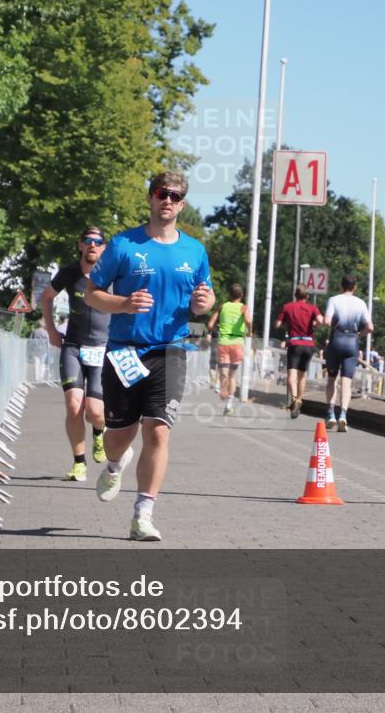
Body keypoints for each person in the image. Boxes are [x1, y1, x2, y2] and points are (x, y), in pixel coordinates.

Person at [84, 171, 214, 541]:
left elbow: (205, 298)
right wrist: (124, 303)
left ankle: (142, 514)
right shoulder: (124, 244)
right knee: (119, 436)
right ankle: (114, 464)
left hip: (171, 350)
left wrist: (204, 303)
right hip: (124, 350)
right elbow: (92, 293)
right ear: (150, 198)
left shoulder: (195, 251)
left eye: (175, 196)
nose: (167, 200)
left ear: (182, 204)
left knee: (157, 430)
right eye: (161, 193)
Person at [41, 227, 111, 482]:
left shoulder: (112, 274)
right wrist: (51, 330)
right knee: (73, 406)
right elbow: (46, 297)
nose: (92, 245)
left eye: (98, 241)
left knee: (95, 412)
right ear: (80, 245)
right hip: (73, 347)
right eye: (87, 240)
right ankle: (79, 462)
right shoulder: (69, 273)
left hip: (102, 349)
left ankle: (99, 432)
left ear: (103, 247)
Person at [323, 274, 373, 432]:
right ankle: (343, 415)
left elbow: (326, 321)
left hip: (336, 340)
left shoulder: (333, 300)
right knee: (347, 381)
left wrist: (333, 326)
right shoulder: (361, 303)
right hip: (352, 342)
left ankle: (331, 413)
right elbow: (370, 327)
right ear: (355, 287)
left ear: (341, 285)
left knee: (332, 379)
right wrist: (359, 335)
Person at [275, 284, 324, 419]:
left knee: (291, 374)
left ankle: (294, 399)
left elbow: (277, 324)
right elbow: (321, 320)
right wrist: (314, 324)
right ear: (307, 296)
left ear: (295, 295)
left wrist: (287, 324)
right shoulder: (312, 308)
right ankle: (299, 400)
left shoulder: (287, 307)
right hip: (308, 344)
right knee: (302, 375)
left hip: (294, 343)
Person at [206, 283, 251, 416]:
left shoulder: (223, 306)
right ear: (242, 295)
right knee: (233, 375)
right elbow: (248, 321)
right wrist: (250, 332)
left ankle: (222, 387)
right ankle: (229, 405)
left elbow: (210, 324)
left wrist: (214, 330)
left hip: (223, 341)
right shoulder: (243, 307)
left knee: (223, 372)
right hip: (237, 342)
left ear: (229, 295)